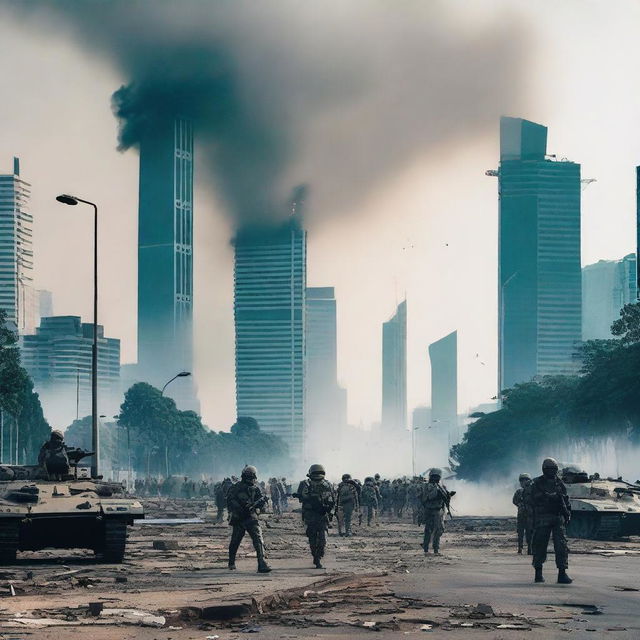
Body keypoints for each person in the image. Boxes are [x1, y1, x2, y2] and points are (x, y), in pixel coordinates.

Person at [530, 458, 572, 584]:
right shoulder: (537, 483)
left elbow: (565, 498)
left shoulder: (559, 483)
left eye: (554, 469)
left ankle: (562, 573)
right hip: (543, 517)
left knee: (561, 546)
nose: (552, 471)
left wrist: (567, 512)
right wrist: (547, 497)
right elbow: (532, 499)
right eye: (550, 469)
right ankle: (538, 573)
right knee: (539, 545)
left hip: (557, 517)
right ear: (544, 469)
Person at [226, 465, 271, 573]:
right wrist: (239, 508)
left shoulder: (255, 489)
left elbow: (261, 505)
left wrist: (260, 504)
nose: (251, 478)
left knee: (258, 539)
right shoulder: (236, 487)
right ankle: (231, 562)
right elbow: (230, 501)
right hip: (239, 518)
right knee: (235, 541)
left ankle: (262, 563)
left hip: (250, 517)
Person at [296, 464, 336, 569]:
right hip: (310, 513)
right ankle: (316, 557)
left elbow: (332, 500)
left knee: (323, 539)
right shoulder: (305, 484)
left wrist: (330, 512)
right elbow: (301, 498)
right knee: (312, 537)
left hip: (322, 514)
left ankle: (319, 554)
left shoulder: (328, 484)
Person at [419, 468, 455, 555]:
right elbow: (426, 497)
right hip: (430, 510)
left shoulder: (440, 487)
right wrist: (437, 493)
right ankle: (428, 548)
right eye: (434, 477)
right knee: (433, 529)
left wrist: (449, 494)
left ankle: (433, 548)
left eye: (437, 477)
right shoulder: (426, 486)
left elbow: (445, 497)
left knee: (437, 530)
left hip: (437, 510)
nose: (436, 479)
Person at [513, 473, 533, 554]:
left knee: (529, 532)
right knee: (520, 532)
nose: (523, 482)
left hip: (529, 515)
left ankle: (529, 549)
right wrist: (520, 504)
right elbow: (514, 501)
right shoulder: (519, 492)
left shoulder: (532, 491)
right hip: (522, 514)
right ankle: (520, 548)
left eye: (525, 480)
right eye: (521, 480)